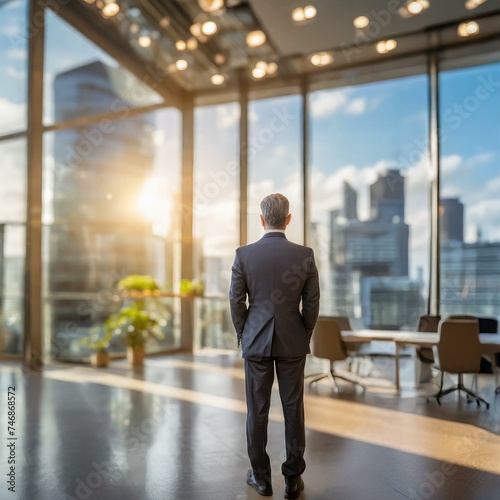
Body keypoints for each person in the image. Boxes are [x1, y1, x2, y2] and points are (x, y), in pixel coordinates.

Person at [229, 193, 320, 499]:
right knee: (294, 409)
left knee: (257, 411)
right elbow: (312, 301)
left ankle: (261, 478)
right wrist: (302, 332)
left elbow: (235, 300)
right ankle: (293, 480)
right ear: (288, 219)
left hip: (256, 340)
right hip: (292, 340)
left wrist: (245, 332)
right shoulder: (305, 255)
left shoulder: (244, 255)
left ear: (261, 219)